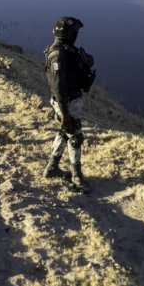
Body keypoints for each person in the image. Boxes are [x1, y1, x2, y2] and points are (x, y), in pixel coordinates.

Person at [43, 16, 97, 193]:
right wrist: (64, 112)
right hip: (66, 102)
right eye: (75, 32)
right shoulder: (58, 54)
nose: (76, 35)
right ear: (68, 34)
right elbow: (58, 86)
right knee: (75, 136)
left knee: (65, 133)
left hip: (71, 100)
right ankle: (77, 176)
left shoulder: (67, 51)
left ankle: (52, 168)